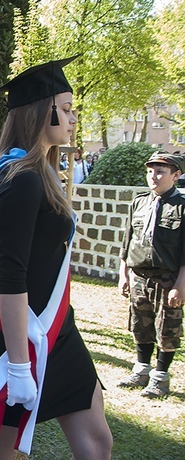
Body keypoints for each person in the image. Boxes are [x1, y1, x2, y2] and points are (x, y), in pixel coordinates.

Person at [0, 58, 112, 460]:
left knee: (97, 442)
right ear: (41, 110)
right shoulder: (22, 178)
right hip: (27, 338)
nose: (72, 118)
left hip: (57, 331)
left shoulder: (37, 172)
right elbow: (11, 274)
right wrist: (16, 363)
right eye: (65, 109)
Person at [117, 151, 185, 398]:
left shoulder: (181, 207)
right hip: (139, 275)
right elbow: (127, 242)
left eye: (160, 172)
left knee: (167, 328)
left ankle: (160, 377)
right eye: (150, 171)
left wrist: (180, 284)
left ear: (176, 175)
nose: (153, 176)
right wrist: (123, 274)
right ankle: (141, 369)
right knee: (139, 324)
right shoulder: (140, 202)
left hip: (167, 278)